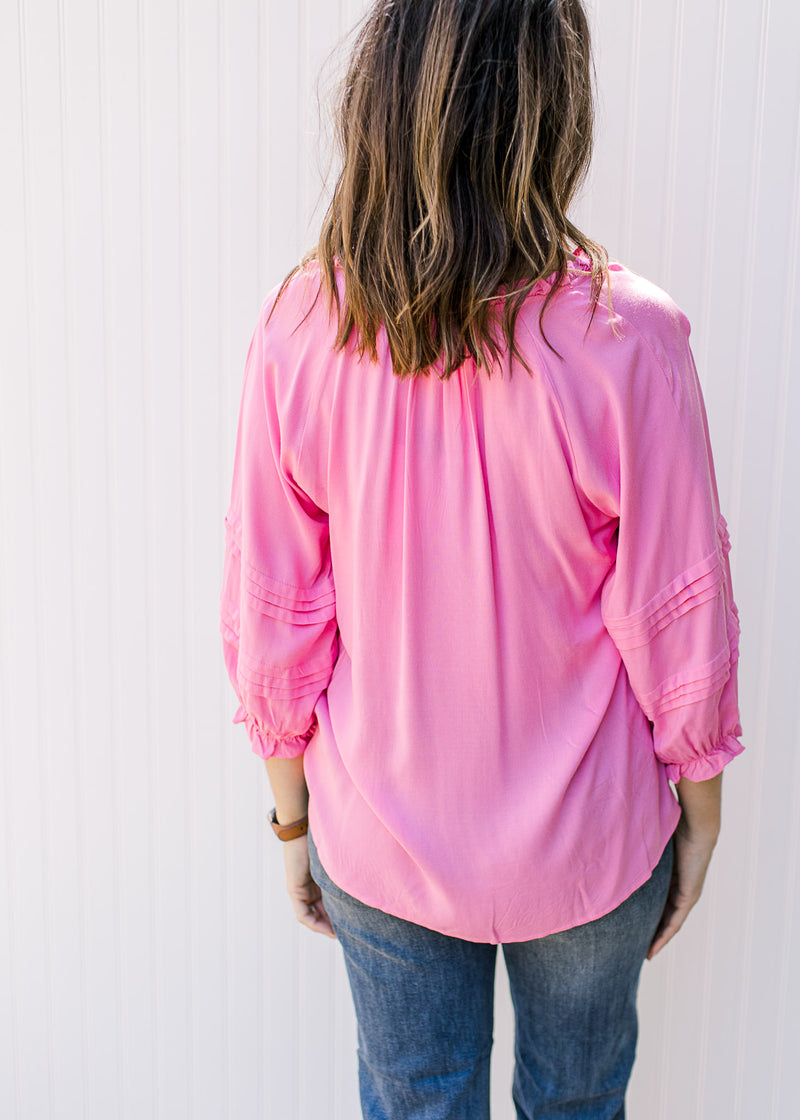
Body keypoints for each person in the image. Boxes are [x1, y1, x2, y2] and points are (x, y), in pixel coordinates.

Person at [219, 1, 745, 1116]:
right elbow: (675, 614)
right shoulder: (629, 339)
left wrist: (290, 818)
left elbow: (274, 612)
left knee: (417, 1100)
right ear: (550, 111)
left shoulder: (302, 328)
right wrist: (700, 811)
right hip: (591, 843)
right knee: (576, 1101)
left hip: (381, 835)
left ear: (380, 100)